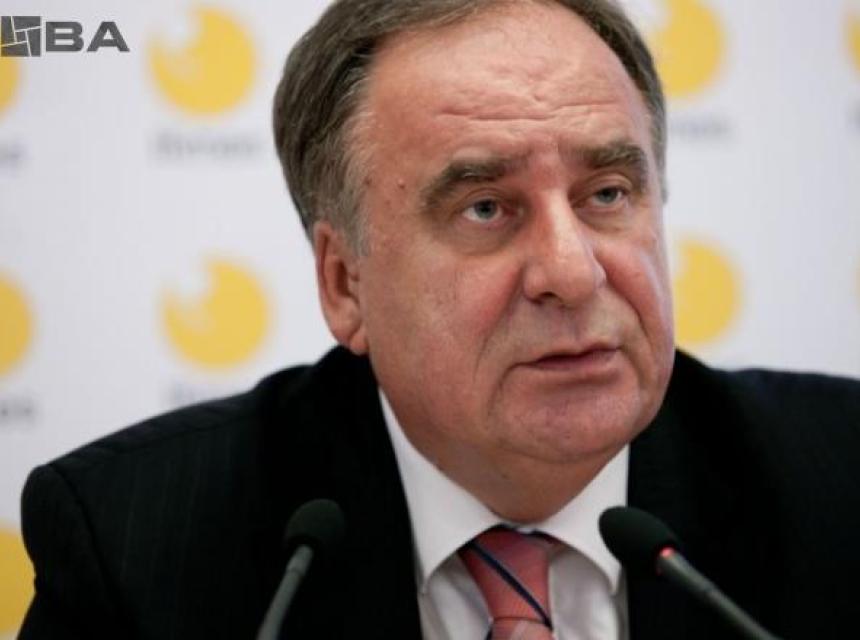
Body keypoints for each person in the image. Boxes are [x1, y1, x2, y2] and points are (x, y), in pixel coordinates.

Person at [19, 0, 860, 638]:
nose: (573, 273)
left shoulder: (839, 481)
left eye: (607, 194)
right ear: (345, 284)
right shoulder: (136, 544)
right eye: (486, 208)